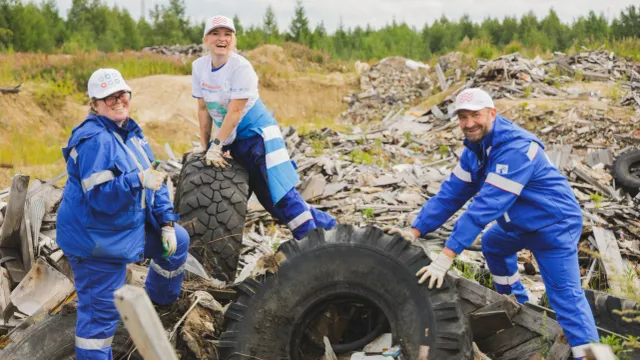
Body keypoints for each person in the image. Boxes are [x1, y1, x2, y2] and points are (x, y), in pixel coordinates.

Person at [383, 88, 599, 359]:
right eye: (462, 117)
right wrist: (414, 231)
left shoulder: (517, 149)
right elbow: (451, 194)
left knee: (566, 298)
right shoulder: (475, 150)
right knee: (494, 243)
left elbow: (486, 206)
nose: (469, 123)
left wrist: (446, 256)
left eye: (475, 115)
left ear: (492, 113)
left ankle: (591, 357)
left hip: (553, 225)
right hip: (519, 223)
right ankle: (516, 305)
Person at [56, 68, 190, 359]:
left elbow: (156, 181)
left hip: (123, 230)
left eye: (121, 94)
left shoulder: (130, 132)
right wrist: (137, 180)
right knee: (100, 319)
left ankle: (157, 307)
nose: (117, 101)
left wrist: (166, 222)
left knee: (178, 240)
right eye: (108, 98)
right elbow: (101, 199)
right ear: (94, 104)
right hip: (96, 242)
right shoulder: (94, 139)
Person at [191, 15, 336, 239]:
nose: (222, 39)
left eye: (227, 34)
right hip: (236, 139)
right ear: (206, 39)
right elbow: (203, 109)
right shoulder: (199, 67)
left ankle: (314, 244)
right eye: (215, 34)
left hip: (260, 138)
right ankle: (331, 230)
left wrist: (216, 144)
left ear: (234, 39)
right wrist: (205, 147)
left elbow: (235, 111)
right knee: (270, 202)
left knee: (281, 196)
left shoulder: (241, 68)